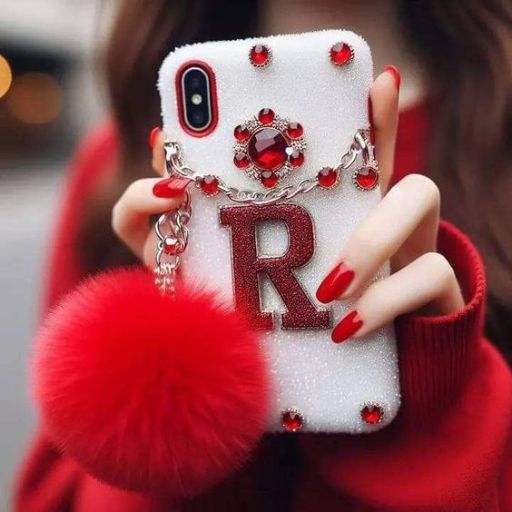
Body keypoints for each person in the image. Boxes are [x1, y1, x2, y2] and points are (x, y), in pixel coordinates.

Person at [14, 1, 512, 510]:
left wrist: (446, 410)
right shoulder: (116, 169)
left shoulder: (499, 139)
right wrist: (164, 424)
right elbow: (53, 493)